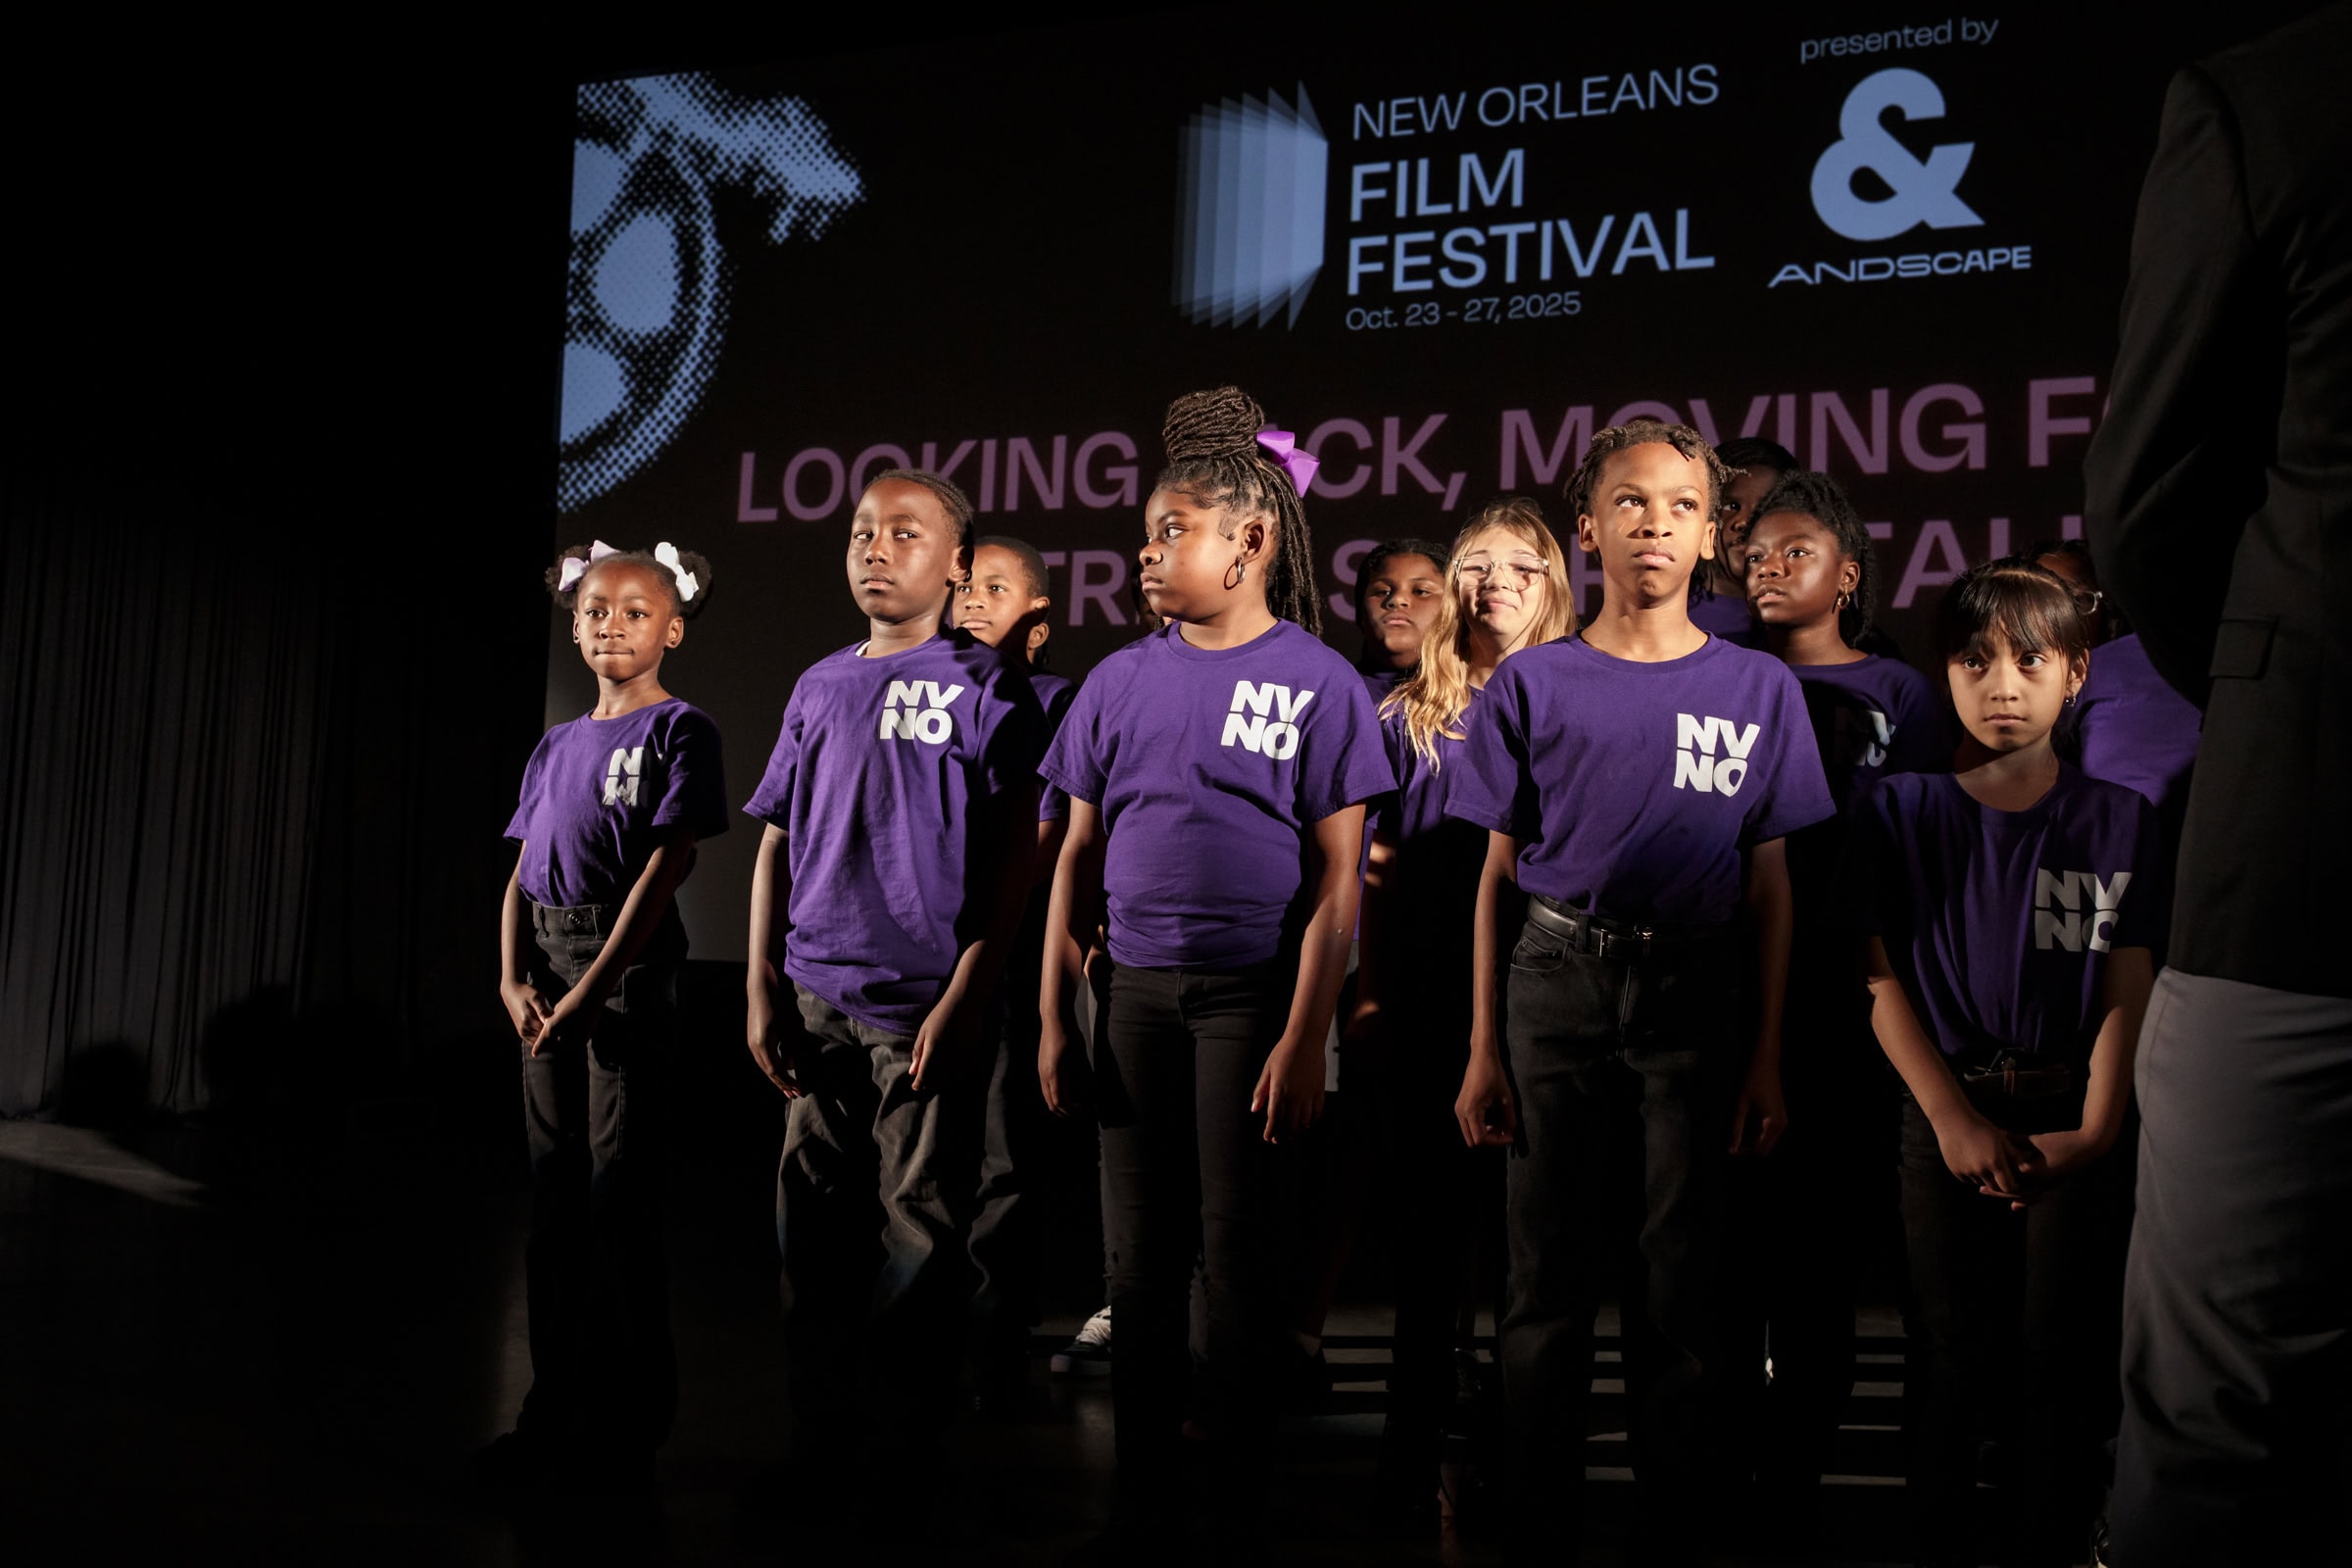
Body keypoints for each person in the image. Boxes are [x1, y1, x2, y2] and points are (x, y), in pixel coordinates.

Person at [1447, 419, 1833, 1559]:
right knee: (1544, 1280)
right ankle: (1535, 1526)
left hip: (1696, 989)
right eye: (1629, 501)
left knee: (1685, 1282)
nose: (1654, 523)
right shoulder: (1534, 680)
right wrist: (1482, 1045)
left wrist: (1765, 1054)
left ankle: (1680, 1530)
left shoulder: (1758, 686)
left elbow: (1771, 887)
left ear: (1712, 534)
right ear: (1588, 529)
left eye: (1680, 505)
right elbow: (1495, 878)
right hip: (1554, 980)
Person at [2083, 10, 2352, 1559]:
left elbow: (2148, 510)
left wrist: (2277, 698)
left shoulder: (2276, 103)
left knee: (2217, 1444)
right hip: (2300, 859)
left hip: (2307, 867)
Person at [1037, 387, 1393, 1538]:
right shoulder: (1116, 680)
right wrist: (1055, 1014)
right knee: (1138, 1258)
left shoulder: (1319, 681)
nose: (1147, 552)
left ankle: (1235, 1485)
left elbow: (1340, 878)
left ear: (1250, 541)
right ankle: (1143, 1485)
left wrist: (1306, 1031)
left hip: (1253, 999)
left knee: (1241, 1251)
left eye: (1173, 531)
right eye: (1145, 534)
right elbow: (1075, 854)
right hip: (1131, 995)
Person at [1844, 559, 2162, 1568]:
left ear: (2077, 673)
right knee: (1947, 1353)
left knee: (2060, 1359)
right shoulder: (1901, 809)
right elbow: (1877, 978)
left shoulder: (2121, 818)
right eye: (1975, 661)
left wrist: (2096, 1130)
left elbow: (2127, 982)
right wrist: (1952, 1118)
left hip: (2073, 1116)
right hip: (1946, 1116)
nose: (2003, 684)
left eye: (2030, 660)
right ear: (1944, 671)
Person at [742, 471, 1045, 1502]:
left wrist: (967, 994)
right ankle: (818, 1451)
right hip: (816, 999)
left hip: (923, 1007)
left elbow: (1012, 860)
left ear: (958, 563)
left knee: (919, 1232)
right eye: (863, 530)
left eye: (904, 532)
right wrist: (761, 984)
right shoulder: (819, 683)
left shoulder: (988, 686)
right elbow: (775, 840)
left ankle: (902, 1465)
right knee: (813, 1235)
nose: (876, 546)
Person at [482, 539, 727, 1498]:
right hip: (546, 966)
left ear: (673, 628)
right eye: (595, 609)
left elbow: (668, 865)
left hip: (622, 968)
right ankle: (549, 1414)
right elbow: (520, 870)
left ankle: (623, 1434)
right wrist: (513, 977)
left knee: (618, 1201)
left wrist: (597, 986)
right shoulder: (555, 742)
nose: (611, 624)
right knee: (555, 1203)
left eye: (635, 611)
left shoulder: (682, 730)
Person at [1352, 496, 1576, 1520]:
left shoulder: (1584, 694)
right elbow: (1379, 869)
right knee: (1431, 1226)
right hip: (1431, 988)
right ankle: (1409, 1439)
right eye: (1473, 565)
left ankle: (1516, 1443)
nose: (1492, 584)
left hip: (1554, 986)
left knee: (1532, 1235)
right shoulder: (1408, 713)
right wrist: (1369, 991)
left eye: (1516, 565)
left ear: (1552, 582)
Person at [1736, 471, 1945, 1536]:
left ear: (1847, 575)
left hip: (1850, 987)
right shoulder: (1722, 675)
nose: (1769, 568)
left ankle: (1798, 1480)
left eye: (1796, 553)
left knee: (1822, 1247)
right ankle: (1720, 1469)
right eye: (1756, 554)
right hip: (1725, 981)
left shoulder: (1899, 691)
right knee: (1730, 1247)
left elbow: (1923, 840)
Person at [954, 534, 1079, 1414]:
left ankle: (993, 1339)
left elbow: (1051, 829)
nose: (971, 600)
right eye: (966, 584)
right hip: (919, 951)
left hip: (1007, 950)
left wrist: (979, 915)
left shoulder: (1052, 700)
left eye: (994, 589)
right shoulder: (918, 686)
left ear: (1037, 621)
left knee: (1004, 1150)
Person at [2029, 538, 2200, 862]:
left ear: (2108, 608)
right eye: (2042, 602)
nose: (2059, 618)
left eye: (2078, 600)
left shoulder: (2119, 664)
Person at [1688, 435, 1796, 648]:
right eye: (1731, 507)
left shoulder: (1815, 619)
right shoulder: (1666, 617)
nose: (1744, 522)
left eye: (1764, 508)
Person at [1352, 538, 1450, 686]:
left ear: (1454, 609)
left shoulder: (1479, 694)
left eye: (1421, 591)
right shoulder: (1333, 692)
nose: (1397, 599)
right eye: (1382, 592)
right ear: (1360, 613)